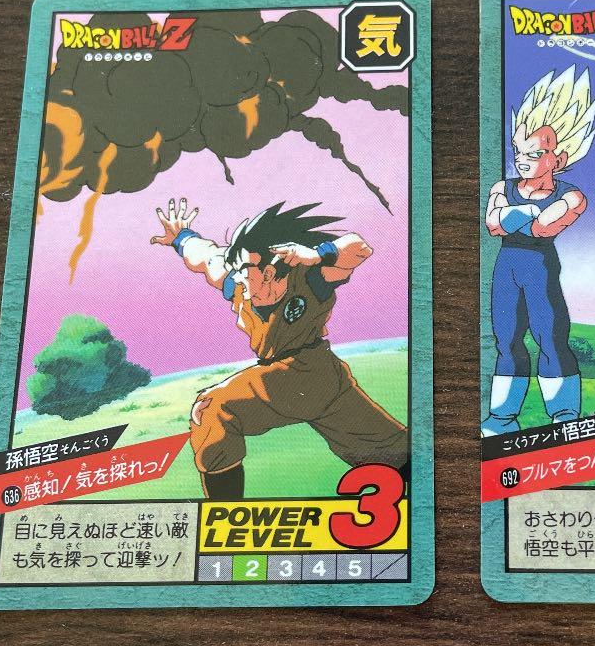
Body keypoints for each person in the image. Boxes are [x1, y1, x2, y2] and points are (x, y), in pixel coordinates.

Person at [152, 198, 408, 498]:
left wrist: (317, 254)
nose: (237, 276)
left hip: (316, 372)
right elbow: (206, 257)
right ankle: (224, 512)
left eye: (243, 269)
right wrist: (182, 237)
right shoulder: (240, 283)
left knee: (394, 453)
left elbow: (359, 248)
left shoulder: (312, 277)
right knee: (215, 411)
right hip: (288, 379)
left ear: (269, 271)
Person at [482, 67, 595, 434]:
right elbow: (493, 224)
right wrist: (528, 212)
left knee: (550, 338)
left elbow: (543, 228)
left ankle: (564, 415)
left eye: (534, 153)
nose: (522, 159)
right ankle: (502, 417)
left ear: (558, 159)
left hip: (540, 269)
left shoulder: (572, 195)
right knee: (506, 340)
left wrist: (517, 215)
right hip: (506, 268)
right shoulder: (502, 186)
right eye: (518, 150)